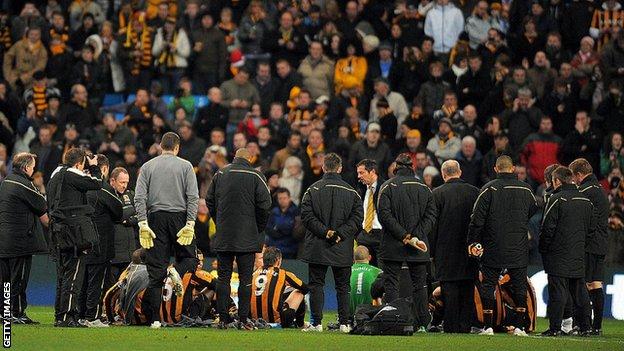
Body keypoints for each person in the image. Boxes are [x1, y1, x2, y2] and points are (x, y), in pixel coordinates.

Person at [134, 132, 200, 329]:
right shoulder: (186, 166)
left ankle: (154, 319)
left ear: (160, 146)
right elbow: (193, 197)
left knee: (155, 272)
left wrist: (142, 222)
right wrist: (190, 223)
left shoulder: (147, 166)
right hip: (179, 217)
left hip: (155, 219)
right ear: (177, 147)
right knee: (190, 258)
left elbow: (139, 197)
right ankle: (175, 272)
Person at [468, 155, 538, 336]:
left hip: (493, 245)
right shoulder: (526, 189)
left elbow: (477, 220)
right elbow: (532, 210)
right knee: (519, 285)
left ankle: (488, 326)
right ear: (513, 168)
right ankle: (520, 327)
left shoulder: (488, 189)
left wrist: (473, 241)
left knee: (489, 285)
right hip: (519, 246)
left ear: (496, 169)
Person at [207, 148, 272, 330]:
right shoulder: (256, 176)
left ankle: (223, 319)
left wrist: (219, 220)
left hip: (225, 235)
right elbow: (265, 205)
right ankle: (243, 319)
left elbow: (209, 200)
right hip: (247, 236)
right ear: (249, 159)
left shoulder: (220, 173)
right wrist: (257, 228)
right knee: (245, 279)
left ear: (234, 157)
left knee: (223, 278)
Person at [300, 153, 363, 333]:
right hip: (342, 246)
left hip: (318, 246)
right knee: (343, 286)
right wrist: (340, 234)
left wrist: (325, 232)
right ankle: (344, 324)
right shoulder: (352, 193)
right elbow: (357, 219)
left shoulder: (312, 190)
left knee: (316, 284)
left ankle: (316, 323)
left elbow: (306, 216)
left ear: (323, 167)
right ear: (340, 168)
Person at [377, 154, 436, 332]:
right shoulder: (424, 188)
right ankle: (422, 324)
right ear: (413, 166)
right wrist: (415, 237)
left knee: (391, 284)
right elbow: (431, 215)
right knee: (420, 285)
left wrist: (404, 236)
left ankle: (396, 320)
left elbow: (384, 216)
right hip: (418, 246)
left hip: (393, 243)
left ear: (396, 166)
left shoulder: (388, 186)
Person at [47, 148, 102, 327]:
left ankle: (59, 315)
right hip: (74, 232)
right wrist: (94, 168)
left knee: (63, 275)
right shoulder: (72, 173)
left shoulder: (55, 174)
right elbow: (96, 183)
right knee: (74, 273)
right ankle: (68, 317)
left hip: (57, 231)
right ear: (79, 163)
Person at [539, 166, 594, 337]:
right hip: (578, 253)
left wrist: (544, 249)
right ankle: (586, 326)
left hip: (558, 254)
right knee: (580, 292)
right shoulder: (586, 200)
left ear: (557, 181)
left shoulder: (556, 199)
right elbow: (592, 229)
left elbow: (547, 228)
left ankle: (555, 328)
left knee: (558, 292)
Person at [431, 160, 479, 333]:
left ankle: (450, 326)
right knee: (467, 289)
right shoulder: (475, 192)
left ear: (444, 174)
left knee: (449, 289)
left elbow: (432, 225)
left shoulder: (437, 194)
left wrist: (431, 249)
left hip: (445, 250)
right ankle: (465, 326)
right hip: (470, 250)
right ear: (460, 172)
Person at [0, 152, 47, 324]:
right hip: (19, 241)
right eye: (33, 167)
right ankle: (16, 313)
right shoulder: (24, 184)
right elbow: (42, 205)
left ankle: (4, 312)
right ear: (26, 167)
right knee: (18, 279)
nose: (33, 170)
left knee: (5, 280)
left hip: (4, 240)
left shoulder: (6, 181)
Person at [78, 155, 122, 327]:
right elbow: (118, 210)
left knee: (83, 281)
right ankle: (92, 316)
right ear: (104, 169)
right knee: (96, 281)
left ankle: (81, 315)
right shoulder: (102, 189)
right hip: (100, 242)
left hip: (81, 240)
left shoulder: (79, 186)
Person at [569, 158, 610, 335]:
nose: (574, 181)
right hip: (601, 243)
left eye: (574, 177)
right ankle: (597, 326)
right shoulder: (600, 189)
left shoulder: (585, 191)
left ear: (579, 175)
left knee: (583, 284)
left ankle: (582, 324)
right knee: (595, 284)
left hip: (589, 244)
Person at [250, 247, 309, 328]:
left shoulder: (253, 274)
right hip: (277, 321)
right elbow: (305, 288)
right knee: (299, 292)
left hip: (254, 319)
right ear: (278, 260)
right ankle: (300, 324)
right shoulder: (283, 274)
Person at [109, 167, 137, 282]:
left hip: (130, 253)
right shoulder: (108, 195)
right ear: (112, 181)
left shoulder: (131, 195)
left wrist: (130, 220)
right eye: (122, 182)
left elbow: (141, 214)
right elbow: (116, 215)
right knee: (112, 288)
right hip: (114, 254)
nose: (124, 185)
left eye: (126, 182)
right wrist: (129, 213)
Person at [355, 159, 382, 266]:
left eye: (361, 173)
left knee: (382, 273)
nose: (358, 176)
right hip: (363, 235)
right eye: (358, 173)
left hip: (381, 236)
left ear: (372, 172)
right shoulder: (360, 189)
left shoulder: (385, 187)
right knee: (361, 271)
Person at [349, 245, 382, 315]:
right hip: (369, 313)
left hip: (349, 313)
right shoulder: (378, 272)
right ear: (369, 257)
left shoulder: (347, 271)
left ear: (353, 259)